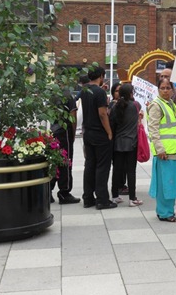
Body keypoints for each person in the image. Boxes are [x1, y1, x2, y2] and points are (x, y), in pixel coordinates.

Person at [148, 78, 176, 222]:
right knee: (165, 183)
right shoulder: (157, 105)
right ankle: (165, 213)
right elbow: (153, 129)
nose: (165, 91)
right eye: (162, 88)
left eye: (167, 88)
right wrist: (160, 148)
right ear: (158, 89)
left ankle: (165, 210)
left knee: (170, 181)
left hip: (173, 149)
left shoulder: (170, 104)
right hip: (165, 151)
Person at [81, 66, 116, 209]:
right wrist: (109, 132)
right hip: (99, 134)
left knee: (90, 165)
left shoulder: (85, 90)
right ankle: (102, 200)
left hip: (87, 132)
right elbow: (102, 114)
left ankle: (88, 198)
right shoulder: (100, 92)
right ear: (101, 76)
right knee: (102, 166)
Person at [109, 83, 143, 207]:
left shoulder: (115, 106)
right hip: (131, 143)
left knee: (116, 170)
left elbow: (112, 124)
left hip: (118, 143)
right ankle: (132, 198)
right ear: (131, 94)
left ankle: (114, 196)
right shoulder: (135, 105)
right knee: (131, 171)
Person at [50, 88, 80, 204]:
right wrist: (72, 134)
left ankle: (49, 189)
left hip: (54, 130)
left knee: (55, 161)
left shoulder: (53, 94)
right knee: (66, 161)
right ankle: (64, 192)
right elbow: (73, 116)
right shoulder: (68, 95)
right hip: (64, 131)